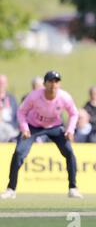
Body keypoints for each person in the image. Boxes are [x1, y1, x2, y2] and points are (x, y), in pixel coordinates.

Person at [0, 71, 83, 199]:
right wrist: (25, 128)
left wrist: (70, 130)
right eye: (50, 81)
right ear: (44, 84)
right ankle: (11, 189)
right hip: (33, 126)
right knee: (19, 152)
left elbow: (74, 113)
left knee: (69, 152)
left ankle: (73, 188)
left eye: (56, 81)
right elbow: (21, 112)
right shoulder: (34, 96)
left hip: (55, 127)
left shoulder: (64, 97)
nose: (53, 85)